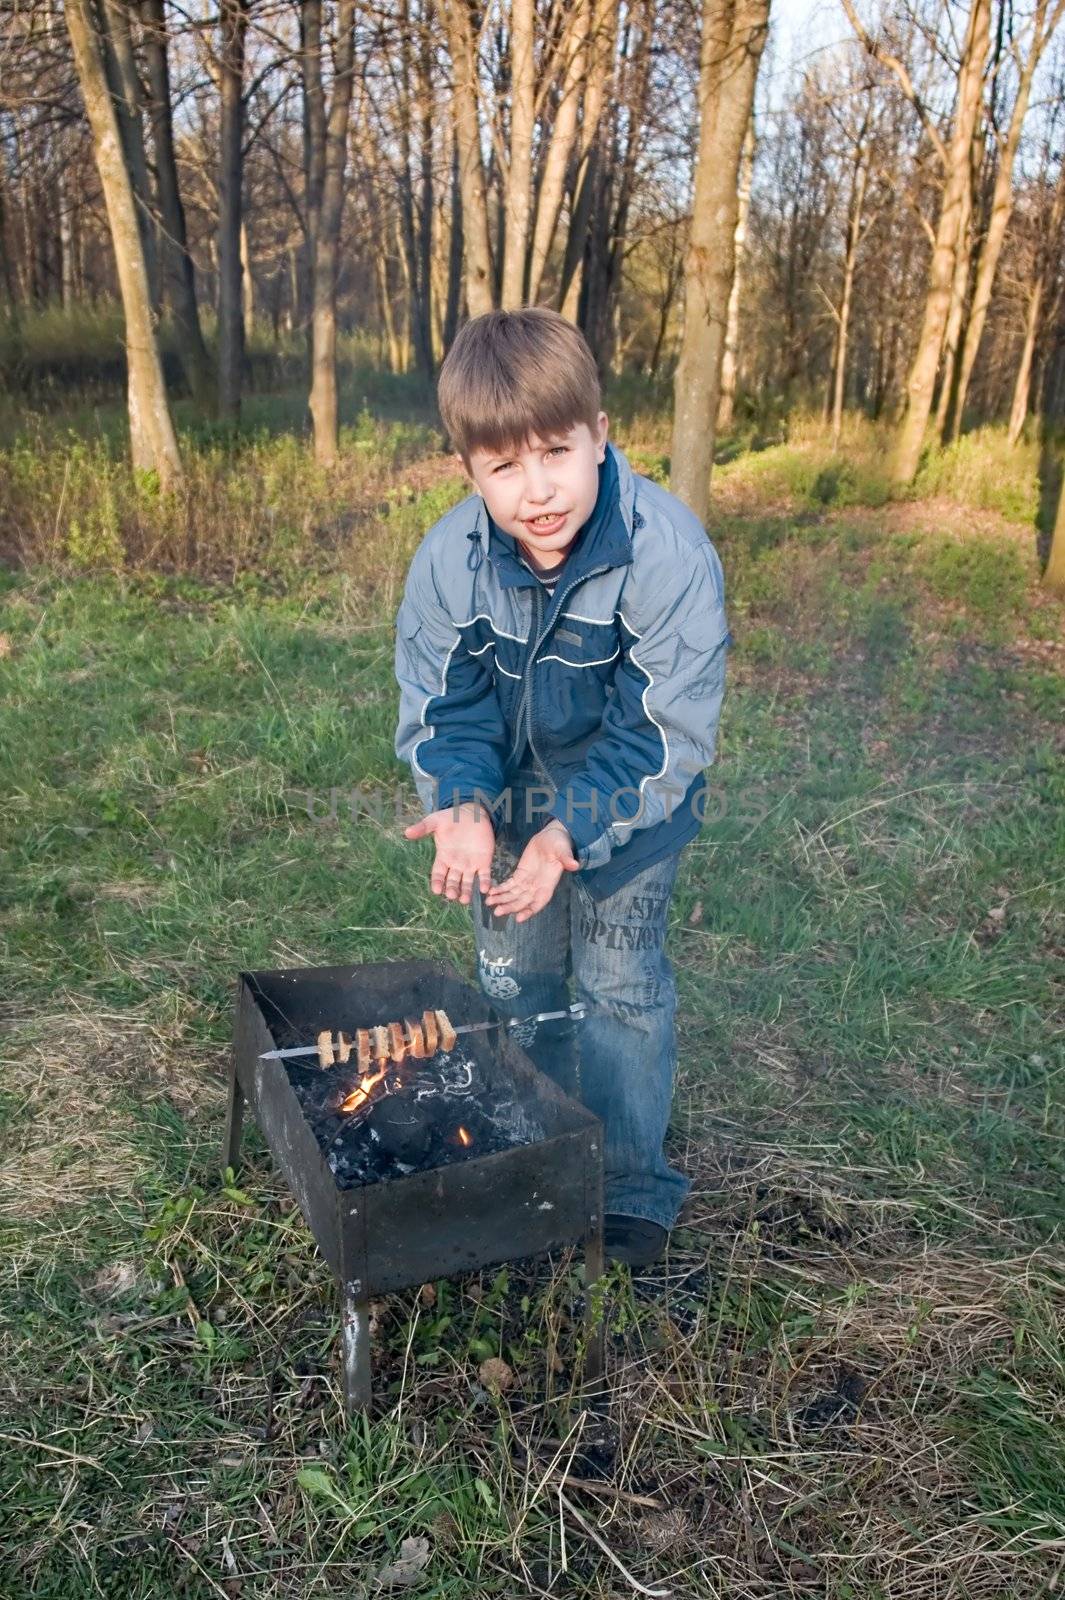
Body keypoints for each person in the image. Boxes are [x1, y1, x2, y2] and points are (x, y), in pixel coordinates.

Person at [394, 307, 731, 1268]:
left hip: (633, 808)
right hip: (503, 812)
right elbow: (441, 703)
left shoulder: (664, 554)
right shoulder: (449, 562)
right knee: (518, 981)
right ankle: (532, 1154)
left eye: (556, 452)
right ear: (469, 470)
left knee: (618, 986)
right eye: (504, 467)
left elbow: (662, 736)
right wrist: (459, 803)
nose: (536, 491)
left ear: (600, 435)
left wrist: (566, 837)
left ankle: (630, 1190)